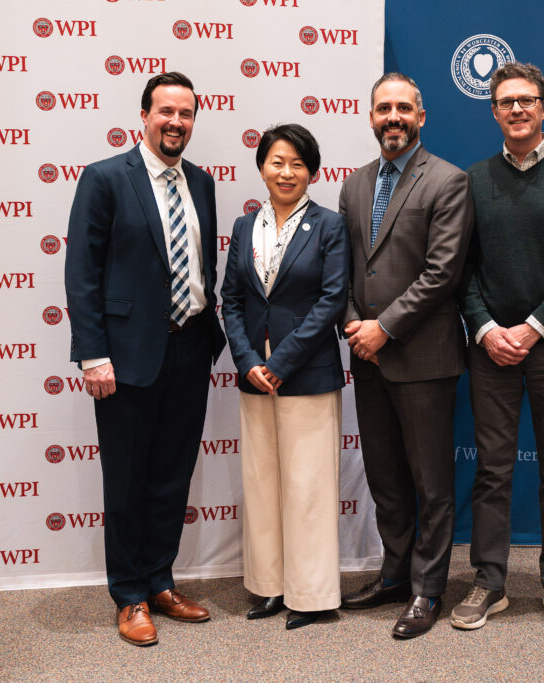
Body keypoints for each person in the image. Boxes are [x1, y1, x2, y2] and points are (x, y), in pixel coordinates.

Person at [64, 71, 226, 647]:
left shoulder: (201, 182)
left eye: (186, 113)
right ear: (144, 116)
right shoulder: (106, 178)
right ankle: (129, 595)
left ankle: (160, 581)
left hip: (190, 349)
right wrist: (93, 355)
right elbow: (82, 273)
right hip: (126, 358)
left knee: (171, 477)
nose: (176, 122)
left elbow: (203, 267)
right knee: (128, 480)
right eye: (166, 112)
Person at [452, 62, 544, 633]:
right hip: (491, 349)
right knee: (492, 470)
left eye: (527, 99)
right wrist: (488, 329)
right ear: (493, 111)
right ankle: (489, 581)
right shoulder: (473, 180)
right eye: (505, 101)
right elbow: (461, 270)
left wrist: (533, 327)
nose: (516, 109)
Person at [338, 73, 473, 638]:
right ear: (370, 116)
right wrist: (353, 324)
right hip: (366, 356)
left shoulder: (448, 180)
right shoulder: (354, 184)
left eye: (402, 108)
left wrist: (384, 329)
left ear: (421, 116)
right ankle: (395, 574)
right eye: (383, 108)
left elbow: (442, 273)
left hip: (422, 358)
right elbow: (344, 266)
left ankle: (428, 588)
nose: (392, 117)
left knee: (431, 483)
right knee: (385, 477)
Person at [220, 123, 349, 630]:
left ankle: (312, 595)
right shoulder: (243, 226)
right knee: (262, 481)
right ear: (261, 168)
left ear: (312, 171)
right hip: (255, 371)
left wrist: (280, 362)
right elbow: (231, 300)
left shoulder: (329, 225)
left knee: (308, 485)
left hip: (306, 370)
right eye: (277, 162)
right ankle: (270, 586)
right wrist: (248, 359)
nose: (287, 172)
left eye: (297, 163)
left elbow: (331, 301)